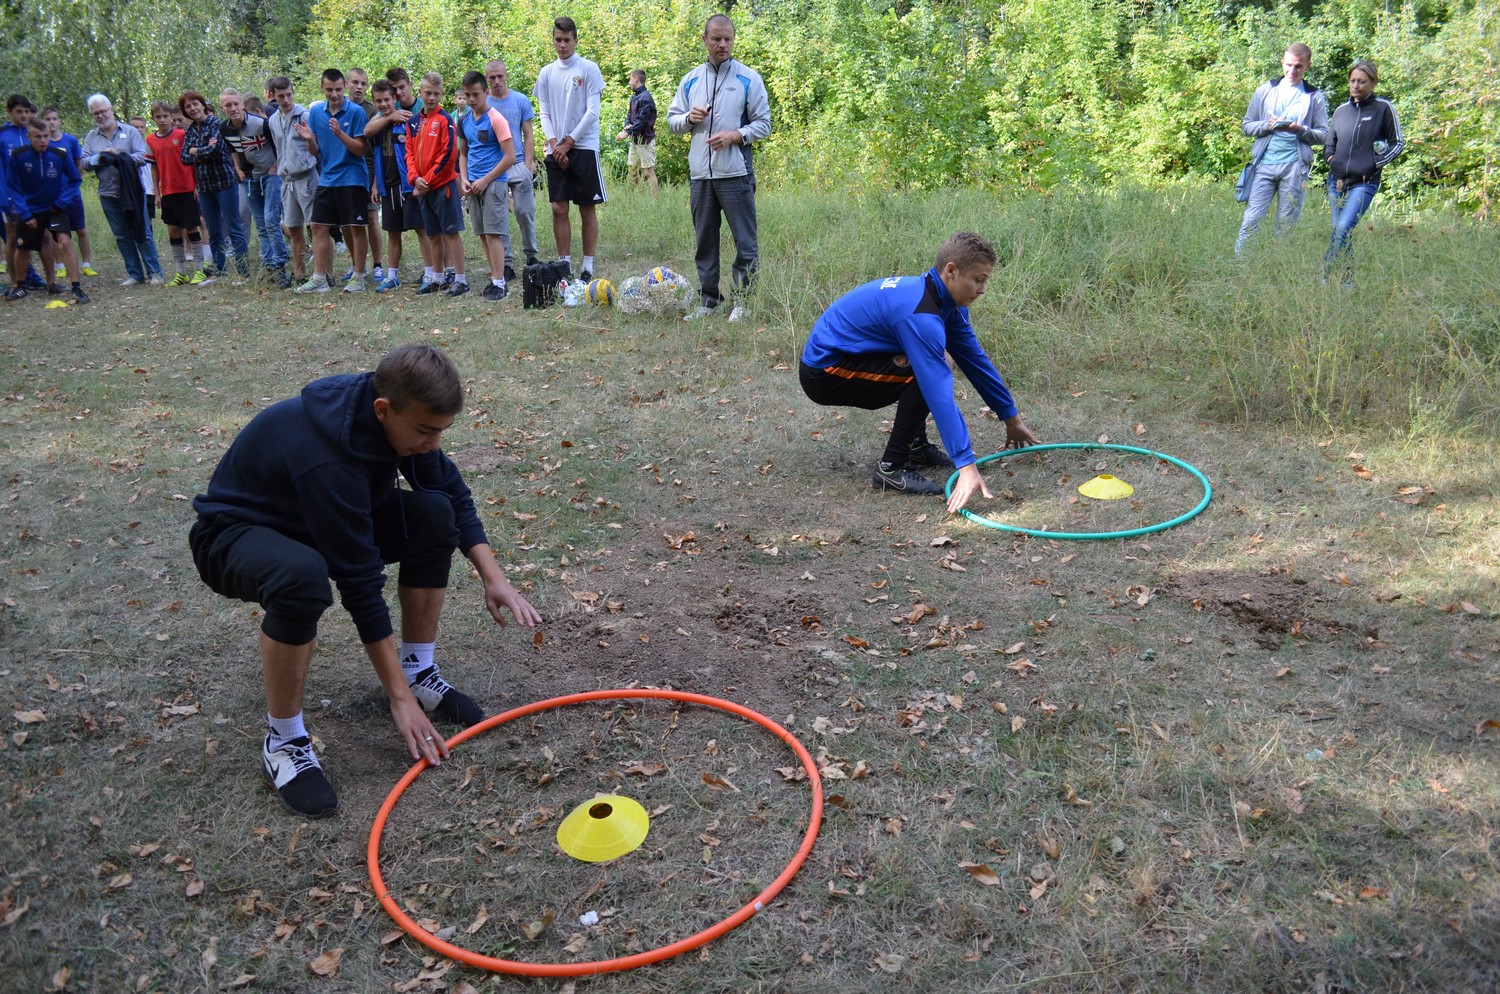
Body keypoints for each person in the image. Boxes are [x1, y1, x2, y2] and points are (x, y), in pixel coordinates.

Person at [188, 344, 542, 817]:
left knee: (434, 515)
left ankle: (418, 672)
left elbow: (453, 495)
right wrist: (396, 699)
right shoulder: (327, 456)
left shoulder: (403, 420)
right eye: (426, 431)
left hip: (313, 522)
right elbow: (359, 583)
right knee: (301, 578)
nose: (434, 443)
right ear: (382, 409)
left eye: (441, 431)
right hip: (235, 534)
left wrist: (493, 578)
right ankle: (284, 740)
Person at [800, 232, 1040, 507]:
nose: (983, 289)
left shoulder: (946, 304)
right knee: (927, 370)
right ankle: (891, 467)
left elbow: (976, 361)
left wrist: (1011, 418)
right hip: (826, 371)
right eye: (978, 279)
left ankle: (916, 448)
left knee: (934, 364)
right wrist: (966, 464)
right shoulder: (920, 313)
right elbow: (937, 390)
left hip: (855, 357)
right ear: (951, 270)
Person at [667, 14, 771, 322]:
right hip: (701, 175)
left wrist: (735, 135)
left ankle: (743, 302)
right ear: (705, 40)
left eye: (728, 38)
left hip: (736, 174)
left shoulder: (748, 78)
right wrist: (689, 119)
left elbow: (764, 124)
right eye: (716, 39)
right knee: (705, 242)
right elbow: (672, 122)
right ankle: (708, 300)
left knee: (745, 242)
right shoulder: (691, 80)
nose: (723, 44)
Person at [1234, 43, 1329, 256]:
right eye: (1289, 65)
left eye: (1298, 66)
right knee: (1252, 219)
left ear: (1308, 66)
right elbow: (1246, 126)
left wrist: (1299, 129)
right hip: (1263, 165)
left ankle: (1279, 266)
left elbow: (1324, 135)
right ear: (1282, 62)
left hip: (1296, 168)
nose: (1292, 71)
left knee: (1287, 224)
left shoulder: (1314, 96)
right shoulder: (1265, 90)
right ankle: (1241, 265)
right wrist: (1266, 125)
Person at [536, 16, 606, 281]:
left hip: (583, 145)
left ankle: (587, 266)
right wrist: (556, 145)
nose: (562, 45)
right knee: (558, 208)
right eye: (558, 40)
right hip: (556, 146)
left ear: (576, 40)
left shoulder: (588, 69)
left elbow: (592, 112)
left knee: (586, 208)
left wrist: (569, 142)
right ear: (553, 41)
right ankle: (564, 265)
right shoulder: (546, 73)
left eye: (567, 40)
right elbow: (543, 112)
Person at [1323, 60, 1403, 284]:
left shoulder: (1383, 108)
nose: (1356, 86)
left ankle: (1324, 274)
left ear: (1373, 83)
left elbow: (1397, 144)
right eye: (1352, 81)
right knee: (1341, 232)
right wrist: (1332, 160)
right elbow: (1329, 145)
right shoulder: (1341, 111)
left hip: (1364, 182)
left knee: (1342, 228)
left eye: (1362, 81)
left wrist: (1374, 163)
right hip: (1336, 182)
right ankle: (1348, 280)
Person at [294, 69, 370, 294]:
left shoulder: (356, 112)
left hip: (352, 177)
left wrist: (340, 134)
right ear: (322, 88)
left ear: (345, 86)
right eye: (329, 90)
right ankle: (320, 279)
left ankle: (359, 276)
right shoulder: (316, 112)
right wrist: (309, 140)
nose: (334, 94)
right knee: (318, 226)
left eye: (338, 89)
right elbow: (315, 150)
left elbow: (360, 150)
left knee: (355, 227)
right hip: (327, 177)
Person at [81, 93, 164, 286]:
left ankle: (155, 273)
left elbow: (142, 157)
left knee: (142, 231)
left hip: (133, 191)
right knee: (122, 235)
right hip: (108, 193)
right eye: (96, 113)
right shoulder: (91, 137)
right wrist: (100, 157)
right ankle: (135, 274)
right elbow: (84, 162)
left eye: (103, 111)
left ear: (111, 110)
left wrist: (120, 156)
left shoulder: (130, 131)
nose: (100, 116)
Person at [4, 119, 88, 303]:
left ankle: (76, 288)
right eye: (38, 137)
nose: (43, 140)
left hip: (55, 208)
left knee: (65, 242)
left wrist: (62, 201)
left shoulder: (59, 155)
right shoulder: (18, 156)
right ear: (29, 137)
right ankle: (21, 286)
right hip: (30, 209)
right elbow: (13, 186)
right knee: (23, 247)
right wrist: (24, 213)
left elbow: (75, 180)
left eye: (45, 136)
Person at [406, 72, 467, 297]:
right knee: (432, 233)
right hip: (423, 187)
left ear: (441, 95)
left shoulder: (445, 120)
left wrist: (428, 180)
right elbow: (409, 153)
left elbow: (448, 154)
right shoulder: (413, 122)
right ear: (420, 93)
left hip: (443, 186)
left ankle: (460, 279)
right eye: (427, 93)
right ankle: (437, 278)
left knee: (450, 232)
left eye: (436, 94)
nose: (431, 97)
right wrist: (415, 178)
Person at [221, 88, 291, 285]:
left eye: (236, 104)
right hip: (250, 178)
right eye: (228, 105)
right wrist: (238, 169)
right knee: (260, 224)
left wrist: (275, 167)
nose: (233, 108)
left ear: (242, 104)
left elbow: (279, 145)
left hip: (270, 176)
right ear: (223, 108)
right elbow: (233, 150)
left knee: (271, 219)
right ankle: (269, 266)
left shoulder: (261, 124)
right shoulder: (224, 128)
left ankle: (280, 265)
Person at [458, 71, 517, 301]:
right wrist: (464, 178)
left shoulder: (496, 119)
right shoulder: (464, 120)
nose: (472, 99)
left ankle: (500, 284)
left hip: (494, 183)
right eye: (467, 95)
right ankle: (494, 278)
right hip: (473, 185)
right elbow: (463, 154)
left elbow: (510, 157)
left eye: (476, 94)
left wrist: (485, 180)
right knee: (483, 233)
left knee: (493, 234)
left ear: (486, 92)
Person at [180, 91, 250, 280]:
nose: (193, 108)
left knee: (234, 227)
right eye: (188, 106)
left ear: (203, 105)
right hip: (204, 187)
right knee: (214, 231)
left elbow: (216, 149)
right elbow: (184, 157)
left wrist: (195, 150)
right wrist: (200, 150)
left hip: (225, 182)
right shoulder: (190, 130)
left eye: (195, 104)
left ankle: (244, 273)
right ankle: (220, 271)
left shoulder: (218, 125)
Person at [365, 75, 424, 292]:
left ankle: (430, 273)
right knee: (392, 231)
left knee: (421, 229)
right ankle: (392, 276)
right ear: (374, 101)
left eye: (387, 100)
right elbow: (367, 133)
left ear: (394, 99)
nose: (383, 104)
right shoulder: (380, 121)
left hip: (408, 183)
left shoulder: (407, 117)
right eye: (379, 101)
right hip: (387, 185)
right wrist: (375, 185)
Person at [145, 100, 211, 285]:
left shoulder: (182, 135)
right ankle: (180, 272)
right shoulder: (150, 140)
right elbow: (154, 167)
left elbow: (194, 161)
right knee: (173, 230)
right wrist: (157, 193)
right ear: (153, 118)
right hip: (168, 191)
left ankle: (199, 269)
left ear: (171, 117)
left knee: (192, 227)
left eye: (165, 116)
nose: (162, 120)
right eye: (158, 117)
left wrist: (196, 185)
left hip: (187, 188)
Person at [484, 59, 539, 279]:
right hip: (495, 168)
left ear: (506, 75)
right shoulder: (483, 103)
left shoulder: (520, 100)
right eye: (492, 77)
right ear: (487, 79)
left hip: (518, 164)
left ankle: (532, 256)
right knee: (499, 218)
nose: (497, 81)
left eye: (500, 76)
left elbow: (528, 134)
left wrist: (528, 164)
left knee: (525, 212)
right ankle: (506, 264)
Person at [265, 77, 318, 287]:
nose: (286, 100)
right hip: (286, 180)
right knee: (294, 228)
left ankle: (323, 273)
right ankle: (299, 273)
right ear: (273, 96)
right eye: (281, 96)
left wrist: (309, 139)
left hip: (307, 176)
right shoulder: (273, 121)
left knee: (316, 227)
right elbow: (278, 148)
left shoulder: (305, 116)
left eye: (288, 94)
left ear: (293, 92)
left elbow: (316, 147)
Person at [38, 106, 98, 278]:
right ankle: (60, 265)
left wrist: (74, 184)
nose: (51, 122)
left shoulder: (70, 141)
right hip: (52, 197)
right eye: (48, 119)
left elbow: (79, 164)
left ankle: (86, 264)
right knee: (55, 233)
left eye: (54, 118)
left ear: (59, 121)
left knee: (81, 230)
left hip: (72, 194)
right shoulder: (42, 143)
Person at [346, 68, 385, 283]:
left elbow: (377, 147)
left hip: (368, 168)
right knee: (347, 221)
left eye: (363, 83)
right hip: (344, 170)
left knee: (371, 218)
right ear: (346, 84)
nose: (359, 87)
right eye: (355, 82)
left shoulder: (372, 111)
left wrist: (376, 180)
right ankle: (356, 264)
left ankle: (378, 265)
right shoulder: (339, 107)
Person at [617, 69, 658, 195]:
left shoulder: (646, 97)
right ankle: (642, 196)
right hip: (635, 139)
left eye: (630, 79)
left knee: (648, 171)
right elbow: (629, 116)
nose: (629, 82)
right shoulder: (634, 97)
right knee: (633, 169)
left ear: (636, 79)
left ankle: (655, 202)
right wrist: (627, 126)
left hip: (645, 140)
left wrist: (626, 133)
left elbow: (641, 120)